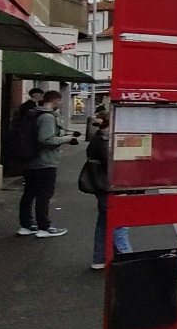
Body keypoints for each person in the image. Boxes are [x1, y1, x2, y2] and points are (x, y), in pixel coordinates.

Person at [18, 90, 79, 238]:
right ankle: (44, 227)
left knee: (29, 193)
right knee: (44, 195)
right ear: (55, 100)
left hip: (30, 160)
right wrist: (67, 139)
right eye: (60, 101)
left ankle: (26, 225)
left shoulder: (32, 114)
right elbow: (46, 139)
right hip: (45, 161)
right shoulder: (47, 117)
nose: (60, 104)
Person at [88, 117, 130, 270]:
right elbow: (113, 164)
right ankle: (126, 259)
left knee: (104, 222)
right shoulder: (105, 141)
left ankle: (100, 258)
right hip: (110, 186)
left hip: (101, 186)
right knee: (119, 223)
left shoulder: (98, 138)